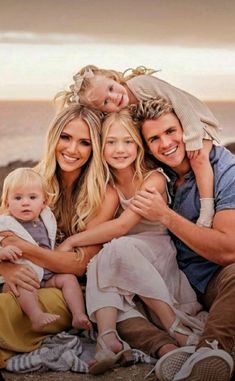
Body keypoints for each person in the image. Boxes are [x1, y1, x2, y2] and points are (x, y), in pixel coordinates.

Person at [59, 108, 206, 374]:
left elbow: (123, 225)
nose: (120, 149)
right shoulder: (111, 186)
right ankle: (108, 339)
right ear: (101, 147)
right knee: (100, 262)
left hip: (157, 255)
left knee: (116, 246)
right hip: (125, 260)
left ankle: (174, 325)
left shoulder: (154, 179)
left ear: (139, 146)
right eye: (111, 142)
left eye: (128, 141)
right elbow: (98, 227)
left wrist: (71, 242)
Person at [0, 104, 118, 367]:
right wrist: (4, 266)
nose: (72, 149)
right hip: (22, 278)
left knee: (6, 307)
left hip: (70, 290)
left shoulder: (104, 193)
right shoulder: (33, 183)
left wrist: (24, 248)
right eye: (66, 137)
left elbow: (79, 264)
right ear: (53, 136)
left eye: (84, 142)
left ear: (94, 148)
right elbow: (4, 231)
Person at [129, 97, 235, 381]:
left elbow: (228, 250)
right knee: (109, 287)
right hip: (169, 279)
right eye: (154, 138)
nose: (165, 144)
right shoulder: (153, 175)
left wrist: (165, 215)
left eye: (170, 131)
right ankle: (168, 352)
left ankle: (207, 354)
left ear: (187, 129)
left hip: (214, 277)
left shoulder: (225, 169)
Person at [57, 64, 221, 228]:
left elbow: (179, 101)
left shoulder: (141, 84)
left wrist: (192, 138)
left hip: (199, 122)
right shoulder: (123, 109)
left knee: (198, 158)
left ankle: (207, 212)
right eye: (106, 102)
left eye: (111, 88)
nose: (114, 97)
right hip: (177, 129)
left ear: (114, 78)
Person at [0, 167, 92, 331]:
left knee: (68, 278)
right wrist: (2, 253)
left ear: (44, 203)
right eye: (18, 198)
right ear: (7, 202)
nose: (25, 202)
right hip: (21, 276)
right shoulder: (5, 224)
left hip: (46, 275)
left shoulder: (45, 219)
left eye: (32, 197)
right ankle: (36, 317)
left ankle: (78, 314)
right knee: (23, 287)